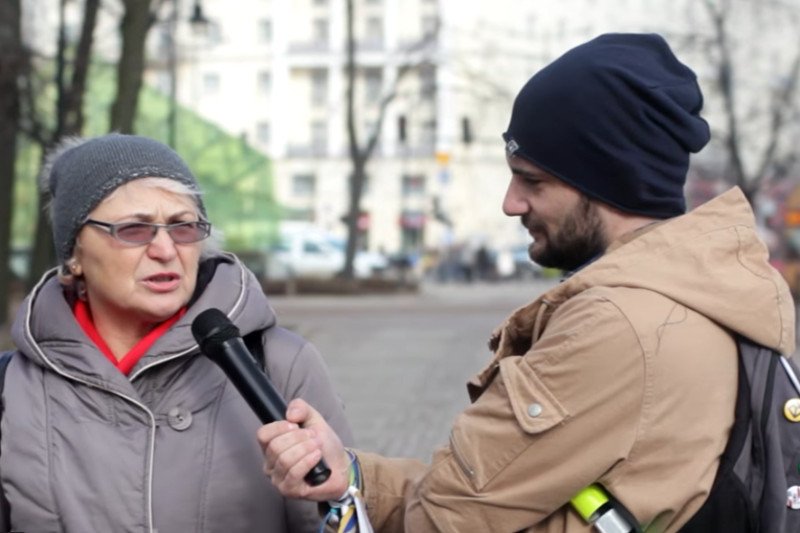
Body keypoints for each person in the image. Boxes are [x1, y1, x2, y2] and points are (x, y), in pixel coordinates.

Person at [256, 33, 796, 532]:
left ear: (608, 179)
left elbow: (446, 520)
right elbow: (500, 498)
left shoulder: (618, 324)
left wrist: (355, 489)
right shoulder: (711, 290)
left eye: (532, 181)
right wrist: (353, 476)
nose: (511, 203)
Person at [0, 133, 354, 532]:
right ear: (74, 254)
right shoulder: (12, 386)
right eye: (134, 229)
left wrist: (341, 492)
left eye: (182, 227)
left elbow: (342, 514)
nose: (166, 249)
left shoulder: (278, 364)